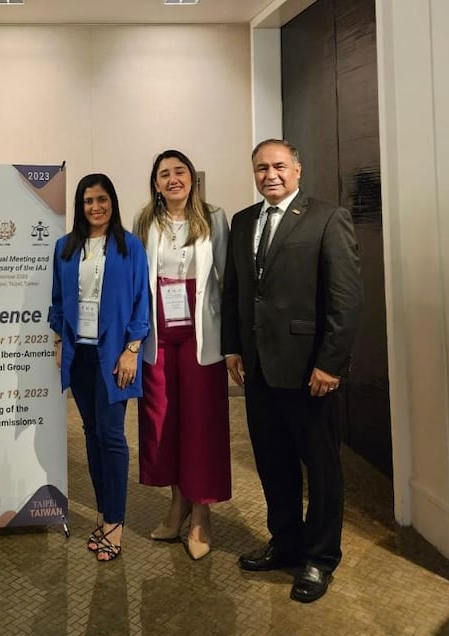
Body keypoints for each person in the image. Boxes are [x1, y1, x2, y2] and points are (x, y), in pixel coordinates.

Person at [221, 139, 362, 602]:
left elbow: (346, 300)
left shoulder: (326, 217)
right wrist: (233, 348)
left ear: (298, 169)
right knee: (273, 464)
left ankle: (320, 560)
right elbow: (235, 293)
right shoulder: (243, 222)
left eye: (279, 166)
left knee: (321, 470)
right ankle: (285, 543)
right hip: (258, 371)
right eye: (261, 168)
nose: (270, 175)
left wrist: (330, 363)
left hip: (309, 373)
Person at [134, 150, 231, 560]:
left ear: (192, 178)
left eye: (180, 172)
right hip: (158, 332)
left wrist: (233, 345)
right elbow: (139, 281)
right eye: (164, 174)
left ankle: (201, 514)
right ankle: (177, 503)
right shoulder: (144, 223)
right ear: (155, 184)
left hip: (201, 334)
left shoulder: (214, 218)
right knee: (162, 420)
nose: (173, 179)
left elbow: (226, 278)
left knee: (201, 422)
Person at [49, 173, 149, 562]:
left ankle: (116, 522)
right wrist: (59, 340)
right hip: (80, 356)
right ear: (80, 205)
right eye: (89, 200)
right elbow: (57, 302)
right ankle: (105, 512)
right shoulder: (65, 248)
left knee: (112, 437)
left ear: (113, 202)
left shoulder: (130, 247)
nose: (96, 207)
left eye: (102, 199)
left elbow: (142, 301)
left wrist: (132, 350)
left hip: (114, 357)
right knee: (90, 434)